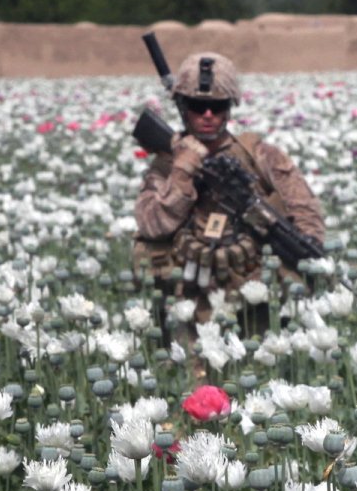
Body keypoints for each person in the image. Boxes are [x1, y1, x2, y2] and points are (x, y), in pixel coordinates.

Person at [135, 51, 325, 344]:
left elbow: (305, 212)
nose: (208, 115)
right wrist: (184, 169)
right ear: (184, 107)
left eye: (217, 106)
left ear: (230, 107)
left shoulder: (259, 156)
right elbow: (152, 225)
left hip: (253, 296)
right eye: (198, 106)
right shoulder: (168, 164)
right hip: (187, 298)